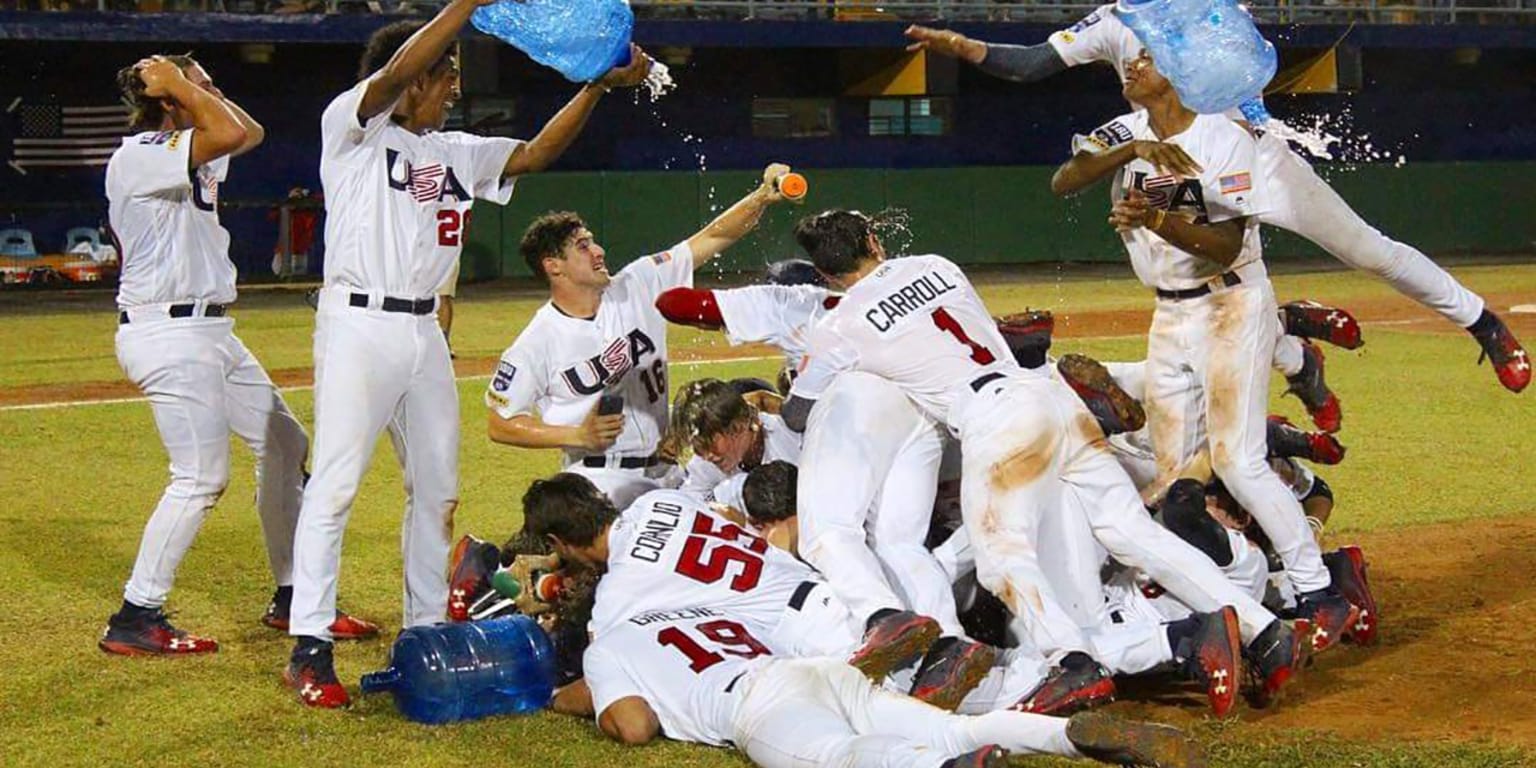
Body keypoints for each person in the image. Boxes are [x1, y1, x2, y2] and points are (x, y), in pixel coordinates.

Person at [285, 0, 655, 709]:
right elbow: (396, 69)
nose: (453, 84)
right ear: (415, 77)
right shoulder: (353, 132)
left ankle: (423, 630)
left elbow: (536, 152)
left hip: (425, 333)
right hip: (359, 321)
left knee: (438, 490)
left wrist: (598, 86)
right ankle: (310, 642)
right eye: (444, 72)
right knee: (335, 485)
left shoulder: (450, 151)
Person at [781, 209, 1301, 712]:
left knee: (1001, 559)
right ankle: (1264, 632)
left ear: (826, 274)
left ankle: (1071, 663)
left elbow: (801, 414)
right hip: (1050, 396)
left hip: (994, 419)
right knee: (1132, 530)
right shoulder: (936, 264)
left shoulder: (840, 324)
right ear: (874, 241)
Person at [904, 15, 1530, 397]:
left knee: (1367, 249)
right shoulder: (1115, 21)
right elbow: (1033, 63)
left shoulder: (1214, 10)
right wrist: (960, 45)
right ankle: (1294, 348)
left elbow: (1251, 73)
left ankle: (1483, 324)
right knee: (1199, 274)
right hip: (1176, 159)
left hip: (1251, 154)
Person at [1051, 50, 1362, 656]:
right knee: (1175, 478)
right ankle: (1235, 595)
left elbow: (1224, 245)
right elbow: (1064, 178)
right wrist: (1133, 152)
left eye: (1146, 60)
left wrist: (1155, 219)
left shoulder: (1224, 139)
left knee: (1238, 459)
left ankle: (1317, 589)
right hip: (1169, 312)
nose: (1130, 67)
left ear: (1182, 70)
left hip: (1232, 305)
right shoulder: (1128, 129)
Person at [99, 55, 378, 657]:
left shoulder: (190, 142)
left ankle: (292, 594)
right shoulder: (141, 152)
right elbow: (227, 130)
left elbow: (247, 132)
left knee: (285, 444)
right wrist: (176, 84)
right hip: (167, 331)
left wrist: (189, 86)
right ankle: (135, 613)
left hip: (208, 332)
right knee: (200, 477)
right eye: (201, 84)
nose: (214, 90)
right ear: (170, 102)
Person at [484, 163, 794, 510]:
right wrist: (576, 435)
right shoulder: (536, 341)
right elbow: (501, 424)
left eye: (592, 241)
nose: (598, 251)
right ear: (553, 266)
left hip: (669, 473)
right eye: (583, 246)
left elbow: (712, 238)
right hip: (597, 482)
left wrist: (762, 197)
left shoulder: (639, 283)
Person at [553, 604, 1204, 768]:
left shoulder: (607, 644)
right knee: (954, 723)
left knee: (838, 758)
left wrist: (576, 702)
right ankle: (1069, 736)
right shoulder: (689, 612)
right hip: (814, 672)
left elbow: (632, 725)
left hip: (756, 705)